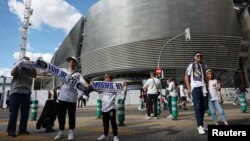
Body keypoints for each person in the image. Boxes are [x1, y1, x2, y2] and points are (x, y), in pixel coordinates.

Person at [54, 56, 88, 141]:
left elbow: (83, 82)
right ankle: (61, 132)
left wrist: (88, 86)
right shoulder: (63, 71)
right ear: (68, 63)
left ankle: (71, 132)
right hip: (62, 97)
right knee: (61, 116)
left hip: (72, 99)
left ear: (76, 63)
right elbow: (52, 69)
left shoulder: (78, 74)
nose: (71, 63)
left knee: (71, 116)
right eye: (70, 62)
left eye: (73, 62)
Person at [7, 56, 37, 137]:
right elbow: (12, 73)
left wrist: (33, 66)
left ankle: (22, 130)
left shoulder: (30, 70)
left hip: (26, 92)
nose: (26, 61)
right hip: (16, 92)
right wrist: (18, 65)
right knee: (14, 112)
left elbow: (34, 75)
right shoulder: (18, 67)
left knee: (25, 113)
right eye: (25, 60)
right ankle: (11, 131)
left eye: (28, 60)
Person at [96, 73, 127, 141]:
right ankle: (105, 134)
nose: (106, 79)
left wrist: (124, 85)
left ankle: (115, 135)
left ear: (111, 79)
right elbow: (96, 89)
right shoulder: (102, 86)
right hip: (104, 107)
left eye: (108, 78)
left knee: (113, 122)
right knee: (105, 122)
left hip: (111, 107)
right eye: (105, 78)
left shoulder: (114, 85)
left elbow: (123, 87)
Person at [184, 51, 207, 135]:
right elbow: (186, 76)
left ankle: (201, 123)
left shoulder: (204, 66)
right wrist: (189, 88)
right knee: (197, 106)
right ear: (194, 57)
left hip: (204, 88)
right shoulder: (192, 65)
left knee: (204, 107)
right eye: (197, 56)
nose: (199, 57)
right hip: (196, 88)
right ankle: (200, 125)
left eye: (201, 56)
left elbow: (205, 77)